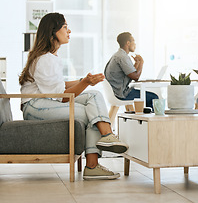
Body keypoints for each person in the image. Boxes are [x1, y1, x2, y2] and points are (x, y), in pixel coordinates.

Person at [19, 12, 128, 180]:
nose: (69, 32)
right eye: (65, 27)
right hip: (35, 107)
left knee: (94, 96)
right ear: (53, 31)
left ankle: (107, 137)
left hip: (45, 102)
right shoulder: (44, 60)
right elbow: (61, 96)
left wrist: (84, 80)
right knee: (92, 114)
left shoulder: (51, 57)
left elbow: (59, 86)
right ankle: (93, 164)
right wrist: (84, 83)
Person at [104, 32, 158, 109]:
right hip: (122, 94)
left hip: (117, 92)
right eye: (134, 41)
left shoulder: (118, 54)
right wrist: (142, 62)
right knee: (154, 97)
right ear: (128, 43)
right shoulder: (122, 57)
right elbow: (135, 77)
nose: (135, 44)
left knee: (147, 95)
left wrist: (137, 63)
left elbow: (131, 73)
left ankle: (144, 118)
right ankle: (150, 120)